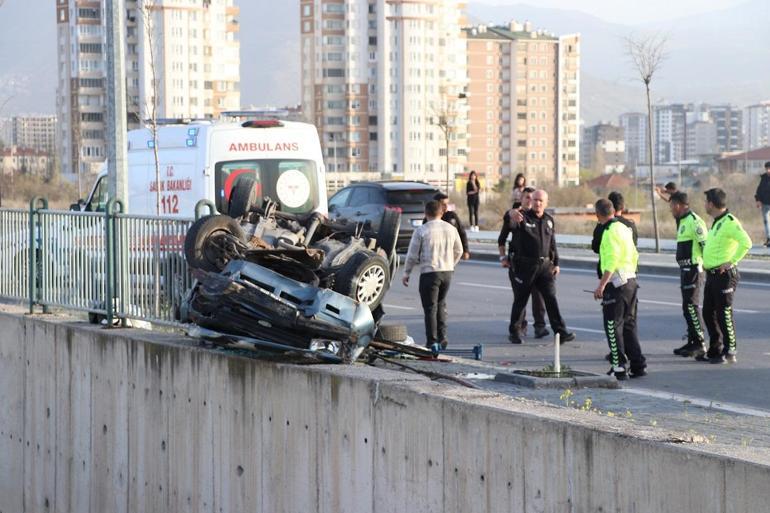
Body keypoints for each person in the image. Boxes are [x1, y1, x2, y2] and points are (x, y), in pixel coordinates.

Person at [505, 190, 575, 345]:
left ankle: (561, 332)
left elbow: (552, 244)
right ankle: (514, 331)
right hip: (525, 267)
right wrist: (510, 212)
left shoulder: (549, 220)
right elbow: (509, 221)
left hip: (544, 267)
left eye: (541, 201)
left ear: (546, 203)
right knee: (521, 300)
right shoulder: (522, 217)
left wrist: (556, 262)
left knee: (551, 299)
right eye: (535, 200)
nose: (537, 203)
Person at [593, 198, 646, 380]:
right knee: (629, 324)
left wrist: (601, 285)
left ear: (598, 215)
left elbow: (612, 260)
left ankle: (619, 367)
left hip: (616, 283)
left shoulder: (608, 232)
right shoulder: (624, 228)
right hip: (630, 280)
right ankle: (638, 364)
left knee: (612, 325)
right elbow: (634, 253)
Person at [698, 188, 752, 364]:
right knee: (707, 312)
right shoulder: (717, 222)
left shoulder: (729, 222)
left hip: (725, 275)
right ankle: (716, 349)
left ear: (711, 204)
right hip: (712, 275)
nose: (705, 205)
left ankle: (730, 351)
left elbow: (747, 242)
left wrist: (732, 261)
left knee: (724, 313)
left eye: (706, 202)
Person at [402, 200, 463, 352]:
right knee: (441, 304)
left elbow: (412, 255)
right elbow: (459, 250)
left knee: (430, 308)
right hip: (447, 272)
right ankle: (443, 338)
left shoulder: (422, 231)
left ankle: (432, 341)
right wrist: (451, 264)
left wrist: (406, 272)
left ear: (426, 213)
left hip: (430, 272)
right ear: (441, 212)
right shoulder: (451, 229)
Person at [497, 187, 547, 338]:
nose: (530, 201)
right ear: (522, 199)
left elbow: (548, 242)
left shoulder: (539, 217)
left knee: (539, 297)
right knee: (521, 298)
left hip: (538, 266)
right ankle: (520, 327)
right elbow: (502, 239)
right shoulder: (517, 216)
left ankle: (540, 326)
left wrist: (553, 262)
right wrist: (503, 257)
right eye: (527, 198)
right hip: (519, 265)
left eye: (533, 198)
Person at [668, 192, 708, 358]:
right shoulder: (682, 221)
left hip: (693, 269)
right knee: (687, 307)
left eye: (671, 206)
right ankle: (692, 340)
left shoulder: (694, 221)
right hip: (684, 269)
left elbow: (705, 245)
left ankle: (700, 343)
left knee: (692, 306)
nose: (671, 210)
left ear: (679, 205)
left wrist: (708, 266)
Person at [592, 191, 638, 279]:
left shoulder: (603, 225)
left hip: (610, 275)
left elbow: (596, 247)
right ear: (623, 206)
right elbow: (634, 247)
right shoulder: (630, 225)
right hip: (630, 272)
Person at [423, 192, 470, 260]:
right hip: (434, 255)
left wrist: (466, 251)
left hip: (450, 253)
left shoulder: (452, 216)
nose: (446, 206)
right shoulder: (429, 219)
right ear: (437, 204)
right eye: (443, 204)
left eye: (447, 204)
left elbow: (461, 232)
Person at [754, 161, 770, 247]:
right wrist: (758, 200)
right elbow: (759, 190)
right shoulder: (763, 178)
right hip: (765, 203)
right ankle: (769, 238)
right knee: (766, 221)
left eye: (769, 169)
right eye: (767, 169)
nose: (768, 170)